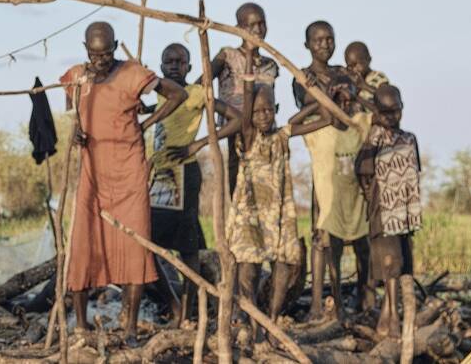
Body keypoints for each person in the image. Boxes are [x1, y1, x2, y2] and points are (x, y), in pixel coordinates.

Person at [61, 22, 188, 339]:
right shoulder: (78, 76)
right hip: (93, 171)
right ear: (86, 48)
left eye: (105, 54)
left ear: (115, 47)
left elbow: (178, 94)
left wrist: (148, 121)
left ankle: (129, 326)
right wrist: (75, 128)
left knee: (134, 247)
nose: (99, 60)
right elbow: (71, 108)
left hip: (130, 172)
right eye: (94, 53)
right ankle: (81, 324)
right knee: (82, 243)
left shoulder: (133, 73)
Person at [289, 76, 372, 325]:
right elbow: (291, 125)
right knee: (332, 257)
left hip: (357, 204)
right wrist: (322, 100)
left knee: (363, 251)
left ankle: (364, 297)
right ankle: (337, 304)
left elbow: (379, 112)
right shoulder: (319, 131)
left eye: (348, 102)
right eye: (339, 101)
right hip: (331, 206)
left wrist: (355, 95)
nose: (344, 106)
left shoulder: (359, 126)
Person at [143, 43, 210, 328]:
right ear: (161, 67)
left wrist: (198, 143)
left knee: (187, 247)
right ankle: (173, 302)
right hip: (160, 178)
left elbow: (233, 117)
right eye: (168, 61)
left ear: (189, 67)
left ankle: (187, 311)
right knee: (148, 245)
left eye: (179, 61)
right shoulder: (162, 93)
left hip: (184, 175)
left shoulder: (196, 93)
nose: (173, 65)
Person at [220, 85, 301, 320]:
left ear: (275, 109)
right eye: (256, 112)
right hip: (250, 210)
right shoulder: (248, 135)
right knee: (247, 265)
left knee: (283, 260)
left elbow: (326, 117)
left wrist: (320, 98)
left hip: (280, 209)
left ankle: (273, 318)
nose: (263, 116)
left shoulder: (283, 136)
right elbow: (246, 95)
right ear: (249, 114)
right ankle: (250, 319)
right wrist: (248, 56)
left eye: (268, 110)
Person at [357, 85, 423, 337]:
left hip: (405, 213)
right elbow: (362, 171)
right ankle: (392, 316)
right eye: (386, 113)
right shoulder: (375, 137)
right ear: (377, 113)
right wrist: (371, 197)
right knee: (390, 264)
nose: (392, 117)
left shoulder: (409, 138)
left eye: (396, 111)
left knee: (402, 263)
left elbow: (413, 173)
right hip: (384, 211)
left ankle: (390, 314)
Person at [211, 2, 278, 190]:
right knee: (239, 183)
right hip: (236, 130)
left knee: (266, 185)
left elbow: (270, 98)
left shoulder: (270, 64)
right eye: (251, 25)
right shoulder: (227, 56)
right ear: (239, 29)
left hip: (264, 131)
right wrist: (226, 112)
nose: (258, 29)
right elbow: (203, 85)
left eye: (261, 23)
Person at [344, 41, 391, 106]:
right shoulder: (352, 81)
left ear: (368, 59)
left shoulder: (378, 77)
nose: (354, 69)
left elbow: (387, 96)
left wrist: (365, 86)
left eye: (357, 64)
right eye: (350, 66)